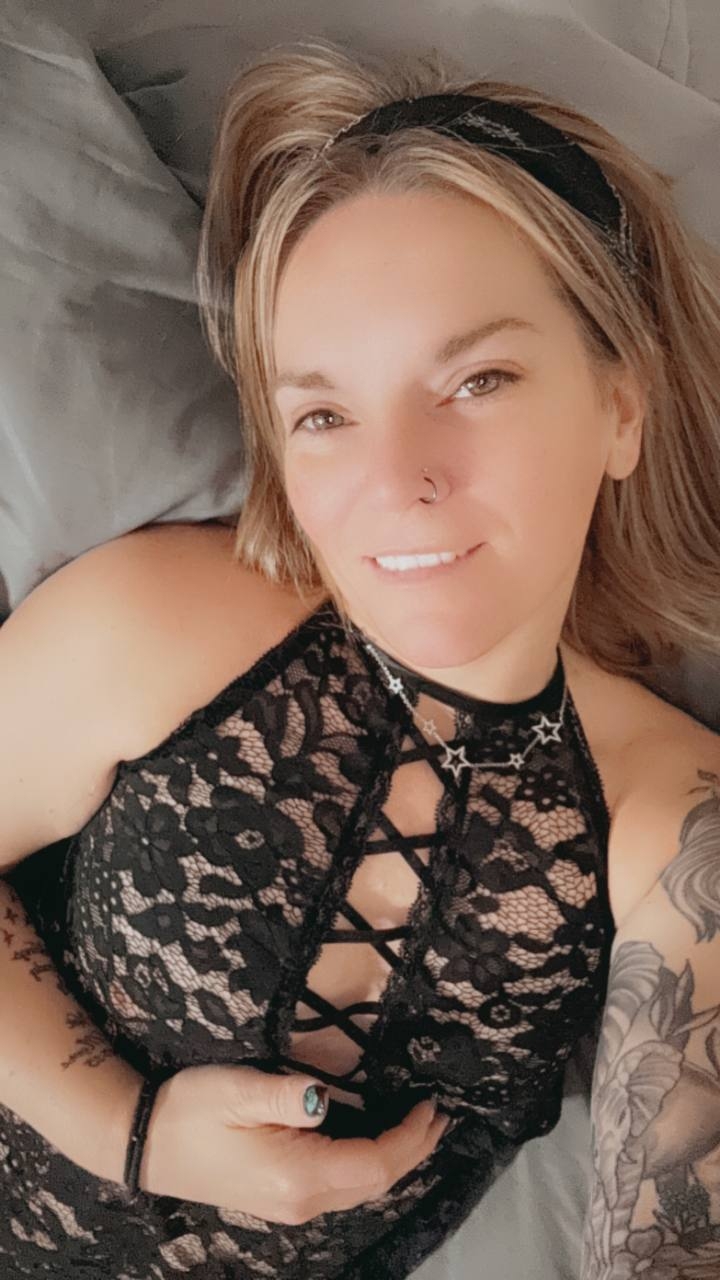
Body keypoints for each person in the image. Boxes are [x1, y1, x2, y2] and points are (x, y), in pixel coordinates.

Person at [2, 34, 720, 1280]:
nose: (396, 481)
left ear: (622, 403)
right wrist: (127, 1126)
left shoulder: (676, 822)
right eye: (325, 413)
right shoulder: (159, 624)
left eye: (478, 378)